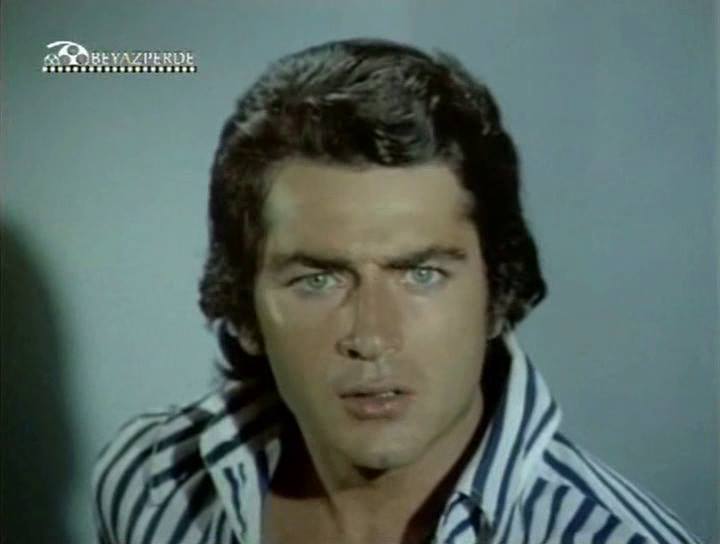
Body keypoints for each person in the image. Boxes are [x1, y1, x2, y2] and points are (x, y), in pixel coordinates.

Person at [92, 38, 702, 544]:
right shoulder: (151, 479)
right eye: (318, 279)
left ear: (497, 295)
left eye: (421, 274)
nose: (372, 336)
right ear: (245, 309)